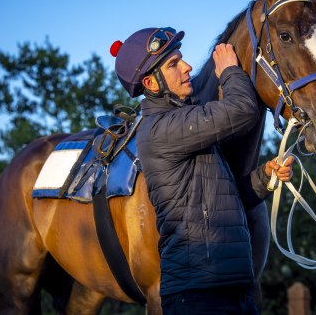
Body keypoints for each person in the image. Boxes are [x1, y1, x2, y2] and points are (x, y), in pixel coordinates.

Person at [112, 27, 292, 314]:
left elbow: (228, 201)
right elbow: (242, 109)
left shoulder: (189, 127)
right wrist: (230, 70)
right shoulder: (162, 128)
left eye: (181, 59)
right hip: (198, 296)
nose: (187, 67)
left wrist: (265, 177)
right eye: (173, 64)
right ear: (151, 83)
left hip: (234, 290)